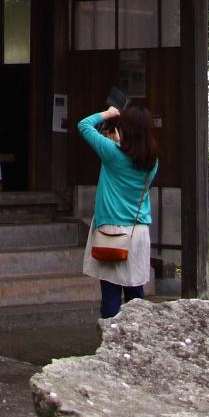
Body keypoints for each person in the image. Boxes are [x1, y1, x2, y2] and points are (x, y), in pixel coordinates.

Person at [78, 102, 159, 319]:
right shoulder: (152, 162)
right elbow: (129, 159)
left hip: (111, 231)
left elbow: (84, 125)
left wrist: (109, 113)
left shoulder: (112, 153)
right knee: (135, 292)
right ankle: (136, 339)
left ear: (126, 129)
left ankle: (110, 340)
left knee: (111, 291)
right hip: (138, 231)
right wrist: (117, 142)